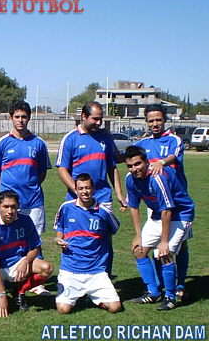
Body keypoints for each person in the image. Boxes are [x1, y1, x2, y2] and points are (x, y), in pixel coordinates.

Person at [56, 101, 125, 275]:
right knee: (75, 239)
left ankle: (104, 276)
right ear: (84, 116)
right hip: (76, 200)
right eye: (95, 119)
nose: (99, 123)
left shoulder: (105, 138)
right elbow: (62, 169)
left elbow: (112, 167)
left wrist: (119, 193)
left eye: (101, 119)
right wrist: (78, 192)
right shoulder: (70, 138)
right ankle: (74, 276)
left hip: (102, 198)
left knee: (105, 239)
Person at [0, 100, 52, 296]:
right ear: (10, 118)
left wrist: (29, 187)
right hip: (9, 204)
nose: (20, 120)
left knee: (34, 241)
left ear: (29, 118)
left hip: (33, 201)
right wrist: (7, 194)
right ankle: (1, 275)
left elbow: (41, 173)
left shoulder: (38, 143)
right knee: (5, 239)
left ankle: (32, 284)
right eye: (17, 116)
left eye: (24, 117)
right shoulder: (2, 143)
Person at [124, 146, 194, 311]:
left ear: (147, 162)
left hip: (180, 214)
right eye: (130, 166)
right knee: (139, 250)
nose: (134, 169)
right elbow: (134, 207)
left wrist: (164, 241)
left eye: (138, 164)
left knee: (165, 253)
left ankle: (170, 296)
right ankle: (153, 292)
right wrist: (138, 235)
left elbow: (167, 210)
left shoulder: (157, 178)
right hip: (158, 214)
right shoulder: (130, 179)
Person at [135, 104, 189, 301]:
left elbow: (174, 156)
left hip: (177, 202)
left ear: (165, 120)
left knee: (180, 245)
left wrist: (161, 162)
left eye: (158, 119)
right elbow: (132, 160)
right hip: (155, 203)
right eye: (151, 120)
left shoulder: (174, 139)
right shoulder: (143, 144)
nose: (155, 124)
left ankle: (180, 285)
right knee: (156, 245)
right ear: (146, 122)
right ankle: (157, 287)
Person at [0, 190, 53, 317]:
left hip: (17, 261)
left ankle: (19, 291)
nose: (10, 211)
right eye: (6, 207)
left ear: (18, 206)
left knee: (47, 269)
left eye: (13, 207)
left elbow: (35, 247)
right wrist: (2, 295)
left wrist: (26, 261)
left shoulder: (25, 220)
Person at [54, 173, 121, 314]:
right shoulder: (66, 207)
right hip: (70, 269)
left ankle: (92, 296)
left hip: (96, 271)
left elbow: (112, 229)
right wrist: (59, 239)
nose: (85, 192)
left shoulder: (104, 211)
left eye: (88, 188)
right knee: (63, 309)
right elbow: (60, 228)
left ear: (93, 188)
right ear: (76, 190)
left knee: (115, 307)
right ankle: (76, 294)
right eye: (81, 188)